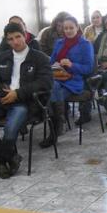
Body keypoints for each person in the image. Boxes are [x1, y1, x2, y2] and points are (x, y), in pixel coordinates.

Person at [0, 22, 52, 179]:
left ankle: (1, 160)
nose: (15, 42)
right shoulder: (2, 57)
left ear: (25, 36)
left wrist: (18, 93)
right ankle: (11, 155)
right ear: (6, 41)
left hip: (25, 102)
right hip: (1, 100)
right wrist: (0, 94)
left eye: (18, 37)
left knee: (10, 128)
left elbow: (46, 83)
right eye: (10, 39)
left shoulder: (40, 58)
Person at [39, 15, 94, 148]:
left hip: (73, 81)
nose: (68, 31)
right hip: (57, 77)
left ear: (77, 28)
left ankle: (55, 130)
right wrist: (55, 63)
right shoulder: (59, 43)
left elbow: (89, 68)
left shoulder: (85, 45)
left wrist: (71, 65)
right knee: (51, 91)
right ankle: (58, 124)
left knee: (50, 93)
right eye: (65, 28)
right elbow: (51, 61)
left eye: (71, 28)